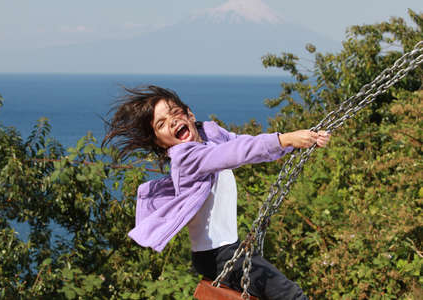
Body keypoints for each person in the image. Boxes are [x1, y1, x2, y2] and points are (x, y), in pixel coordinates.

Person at [102, 85, 330, 300]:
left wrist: (298, 142)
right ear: (160, 142)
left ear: (189, 114)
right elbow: (236, 152)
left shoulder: (211, 136)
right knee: (290, 294)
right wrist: (286, 138)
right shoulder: (185, 159)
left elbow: (247, 145)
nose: (171, 122)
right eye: (161, 124)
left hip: (231, 247)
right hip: (216, 256)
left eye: (174, 113)